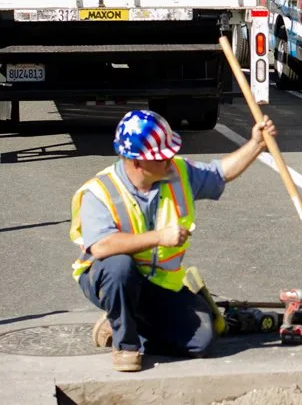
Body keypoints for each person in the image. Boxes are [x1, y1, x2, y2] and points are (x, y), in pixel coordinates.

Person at [68, 109, 276, 372]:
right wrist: (159, 237)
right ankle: (126, 345)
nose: (170, 159)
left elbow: (220, 173)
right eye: (162, 155)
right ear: (137, 162)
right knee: (118, 266)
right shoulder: (100, 192)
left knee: (202, 340)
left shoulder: (177, 173)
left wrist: (256, 144)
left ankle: (122, 322)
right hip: (110, 279)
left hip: (158, 284)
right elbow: (101, 246)